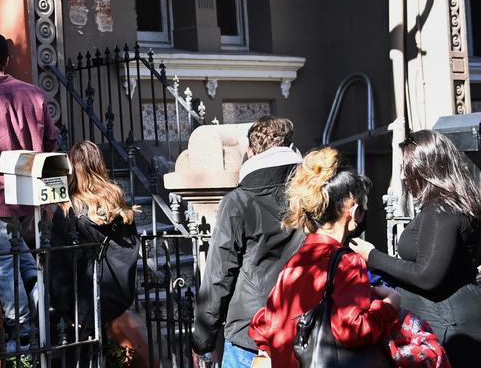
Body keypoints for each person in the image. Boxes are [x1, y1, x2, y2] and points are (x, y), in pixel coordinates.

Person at [249, 147, 400, 368]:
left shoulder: (296, 261)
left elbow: (263, 326)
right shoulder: (348, 263)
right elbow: (351, 330)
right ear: (354, 210)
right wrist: (389, 305)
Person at [350, 130, 481, 366]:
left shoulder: (442, 209)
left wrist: (372, 256)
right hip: (451, 319)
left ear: (425, 166)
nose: (402, 174)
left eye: (406, 166)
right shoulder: (449, 204)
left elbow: (426, 276)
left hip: (450, 325)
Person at [193, 116, 303, 366]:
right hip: (303, 326)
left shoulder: (238, 201)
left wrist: (202, 342)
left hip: (251, 333)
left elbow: (218, 275)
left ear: (251, 152)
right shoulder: (311, 197)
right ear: (291, 147)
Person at [0, 32, 58, 353]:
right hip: (30, 196)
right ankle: (42, 303)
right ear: (7, 60)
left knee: (2, 263)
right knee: (21, 255)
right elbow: (53, 144)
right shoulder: (35, 94)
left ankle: (23, 330)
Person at [50, 141, 139, 360]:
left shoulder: (71, 211)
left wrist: (63, 309)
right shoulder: (117, 205)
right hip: (111, 298)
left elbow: (60, 268)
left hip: (78, 308)